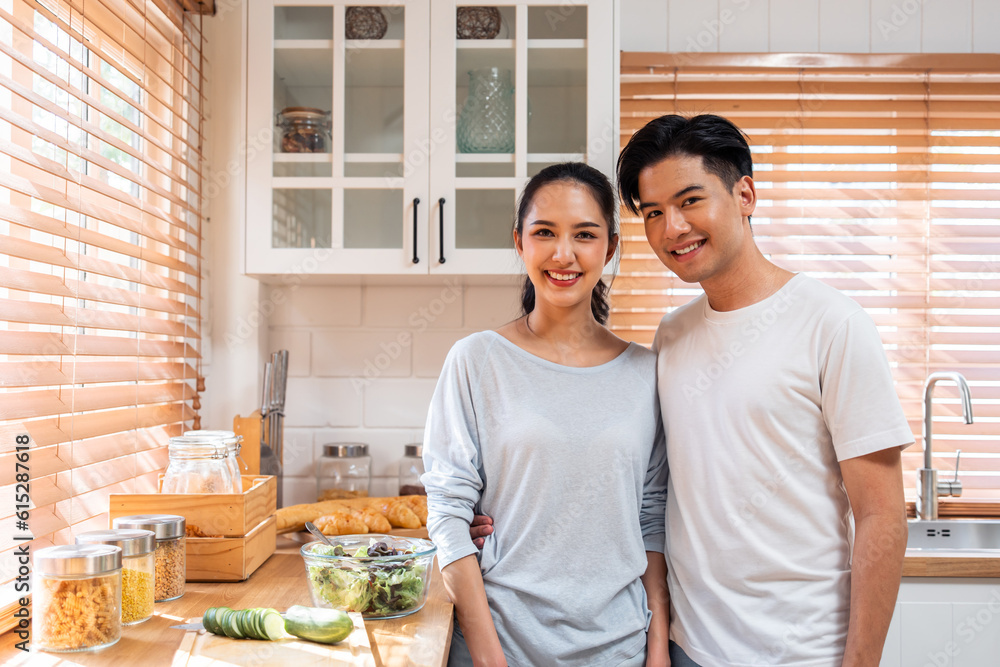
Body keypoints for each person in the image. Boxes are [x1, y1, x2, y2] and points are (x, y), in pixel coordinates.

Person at [612, 114, 913, 667]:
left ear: (745, 193)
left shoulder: (832, 324)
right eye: (652, 213)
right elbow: (653, 487)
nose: (672, 227)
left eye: (689, 200)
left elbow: (881, 515)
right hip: (690, 648)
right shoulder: (672, 335)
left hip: (802, 653)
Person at [421, 162, 670, 666]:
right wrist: (491, 659)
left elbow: (651, 521)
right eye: (544, 233)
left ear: (611, 248)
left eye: (584, 234)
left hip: (618, 650)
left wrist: (658, 648)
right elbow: (448, 518)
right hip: (501, 648)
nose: (564, 254)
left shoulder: (647, 373)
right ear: (519, 243)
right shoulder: (476, 360)